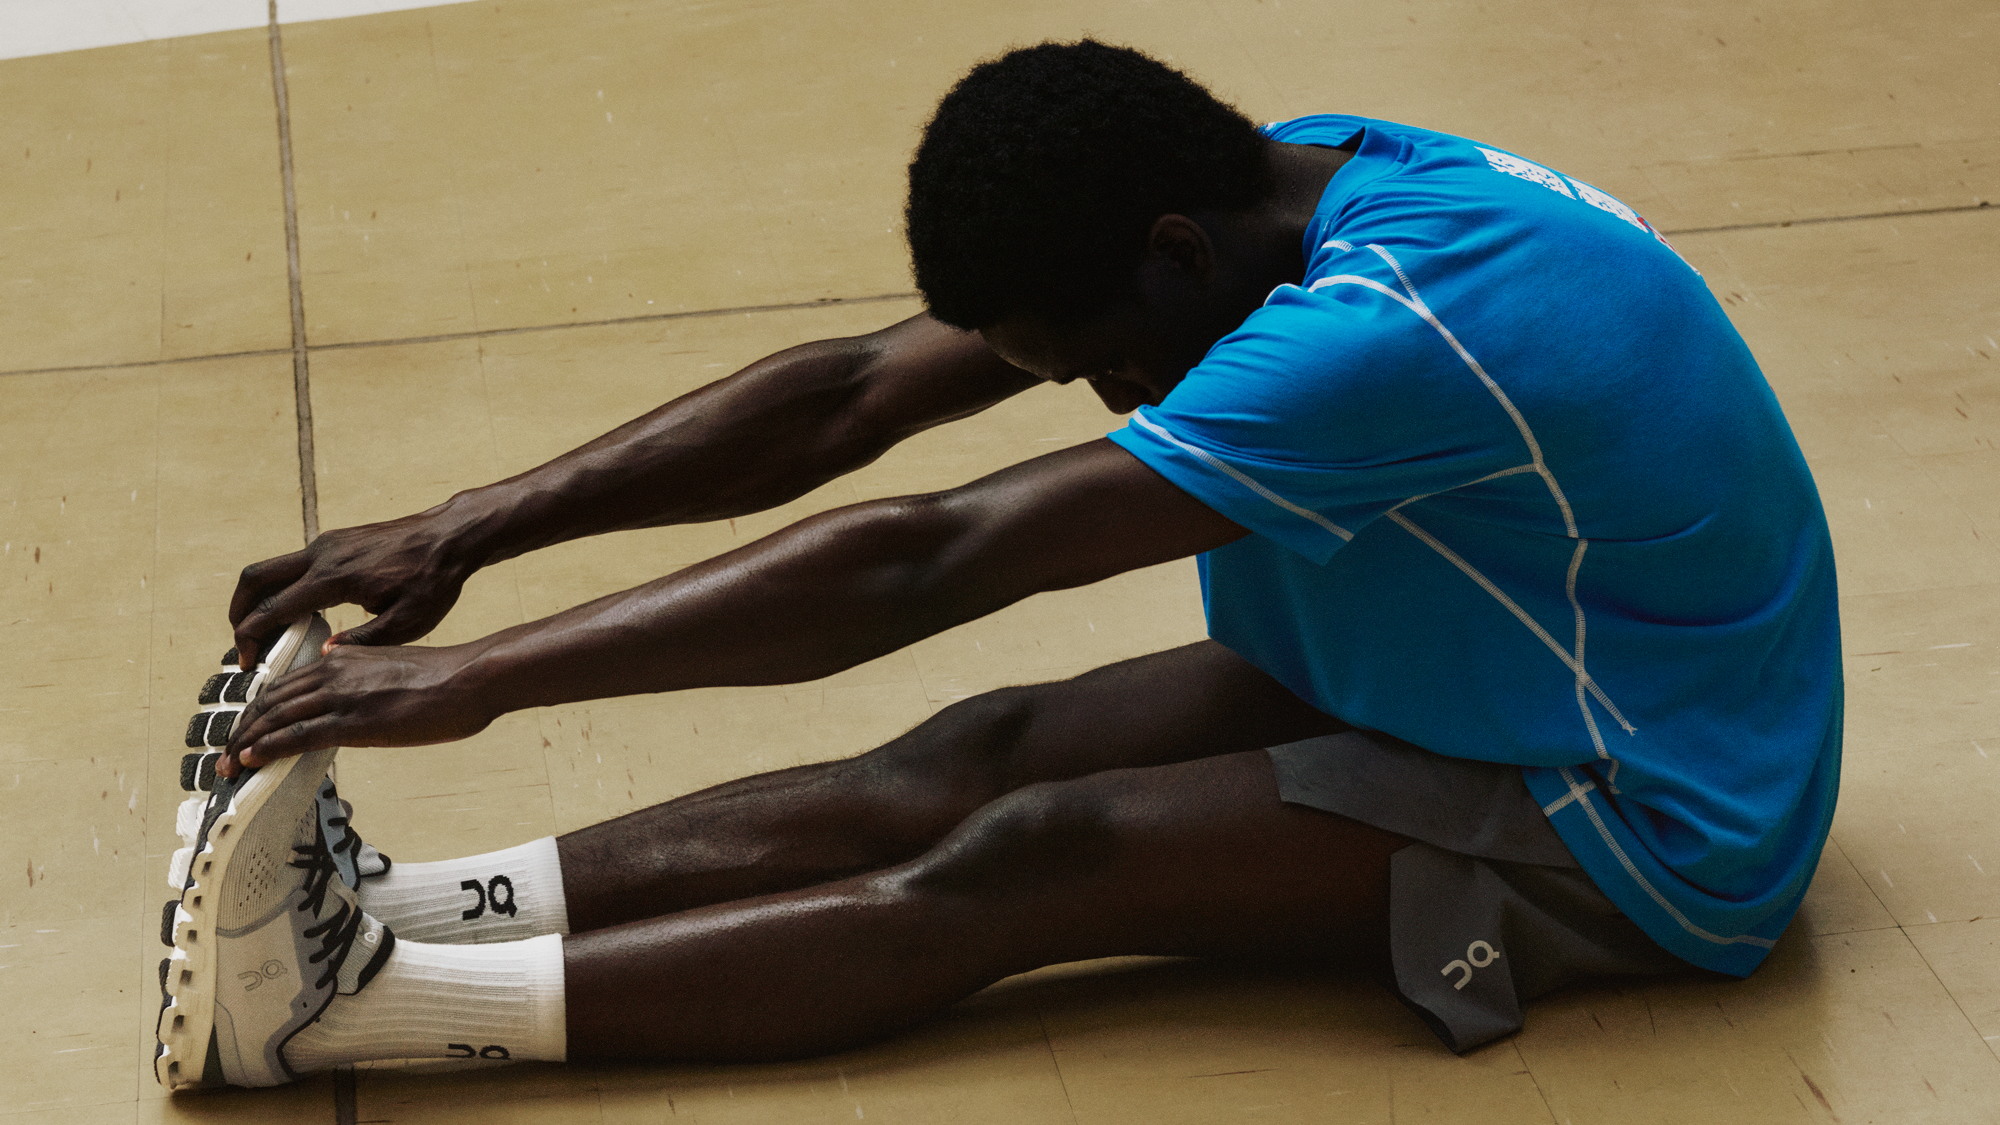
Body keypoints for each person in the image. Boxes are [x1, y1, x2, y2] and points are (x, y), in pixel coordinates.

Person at [152, 39, 1842, 1090]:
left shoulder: (1385, 331)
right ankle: (390, 916)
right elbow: (852, 400)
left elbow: (938, 558)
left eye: (1096, 359)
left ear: (1173, 256)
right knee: (966, 758)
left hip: (1633, 805)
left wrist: (488, 675)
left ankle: (336, 1018)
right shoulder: (1298, 178)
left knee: (1035, 851)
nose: (1105, 393)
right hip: (1458, 664)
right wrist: (471, 527)